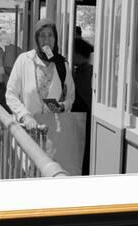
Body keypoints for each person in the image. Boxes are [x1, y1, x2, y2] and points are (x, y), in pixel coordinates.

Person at [6, 19, 81, 174]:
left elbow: (71, 96)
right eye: (42, 36)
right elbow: (11, 94)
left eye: (50, 35)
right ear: (36, 38)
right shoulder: (24, 60)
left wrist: (63, 106)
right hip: (27, 131)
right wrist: (25, 116)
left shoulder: (61, 65)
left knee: (48, 172)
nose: (46, 40)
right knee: (26, 173)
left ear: (55, 39)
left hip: (53, 135)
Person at [71, 37, 94, 175]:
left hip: (84, 121)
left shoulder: (82, 73)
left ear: (77, 54)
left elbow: (86, 98)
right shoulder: (87, 70)